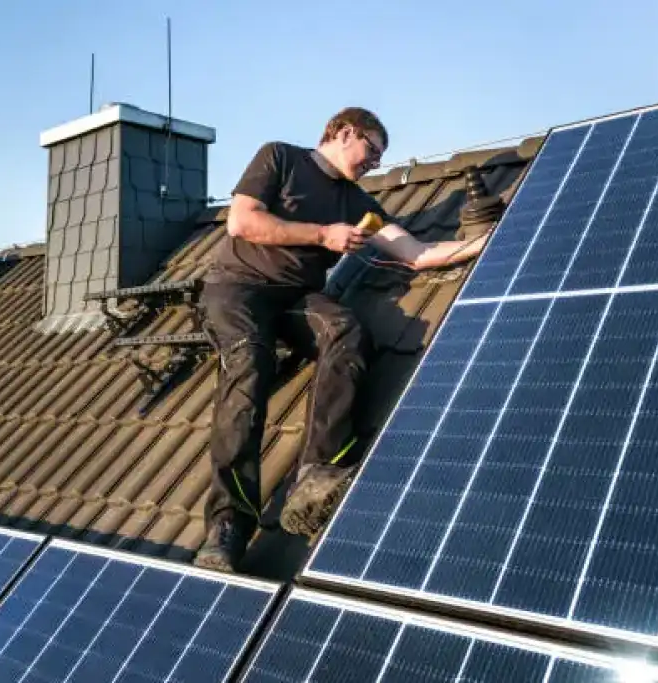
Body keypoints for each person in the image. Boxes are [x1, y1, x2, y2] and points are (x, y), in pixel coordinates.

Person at [194, 107, 491, 573]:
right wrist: (322, 234)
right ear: (343, 132)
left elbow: (414, 253)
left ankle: (316, 472)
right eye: (372, 150)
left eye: (379, 157)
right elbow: (243, 223)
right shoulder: (280, 159)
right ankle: (228, 524)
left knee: (347, 330)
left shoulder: (358, 206)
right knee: (250, 363)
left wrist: (484, 243)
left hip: (295, 297)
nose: (374, 162)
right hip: (237, 288)